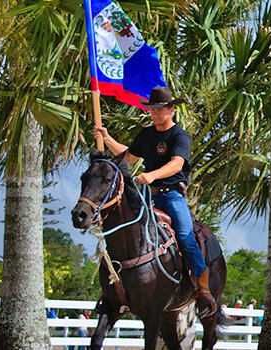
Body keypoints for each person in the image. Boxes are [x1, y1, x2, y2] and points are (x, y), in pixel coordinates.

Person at [90, 87, 219, 316]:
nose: (155, 114)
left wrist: (152, 175)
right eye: (152, 110)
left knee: (186, 237)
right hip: (147, 196)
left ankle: (203, 289)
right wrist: (107, 138)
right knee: (123, 229)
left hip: (171, 196)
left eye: (160, 110)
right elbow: (127, 156)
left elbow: (177, 163)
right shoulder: (147, 135)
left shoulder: (179, 136)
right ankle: (111, 289)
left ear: (170, 110)